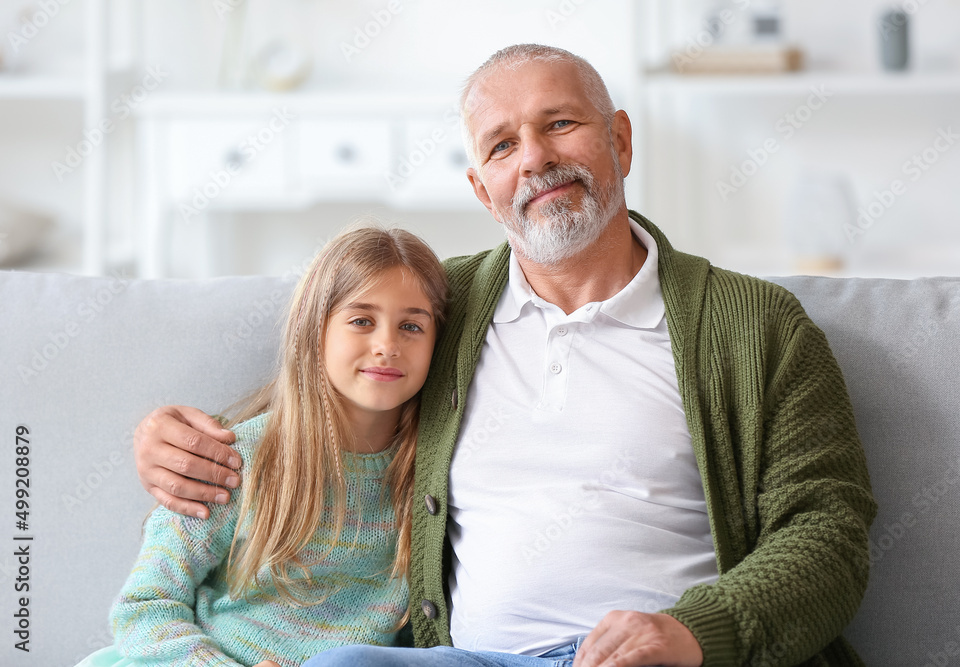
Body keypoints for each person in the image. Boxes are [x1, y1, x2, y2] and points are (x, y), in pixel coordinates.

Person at [133, 44, 877, 667]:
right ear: (482, 189)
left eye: (560, 123)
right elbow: (326, 390)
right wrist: (169, 437)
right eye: (501, 145)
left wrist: (690, 631)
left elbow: (828, 532)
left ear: (619, 139)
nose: (537, 160)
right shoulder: (436, 309)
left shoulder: (755, 325)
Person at [79, 226, 448, 667]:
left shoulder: (430, 478)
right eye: (361, 321)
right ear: (316, 332)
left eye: (411, 326)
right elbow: (144, 605)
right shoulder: (237, 459)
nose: (387, 345)